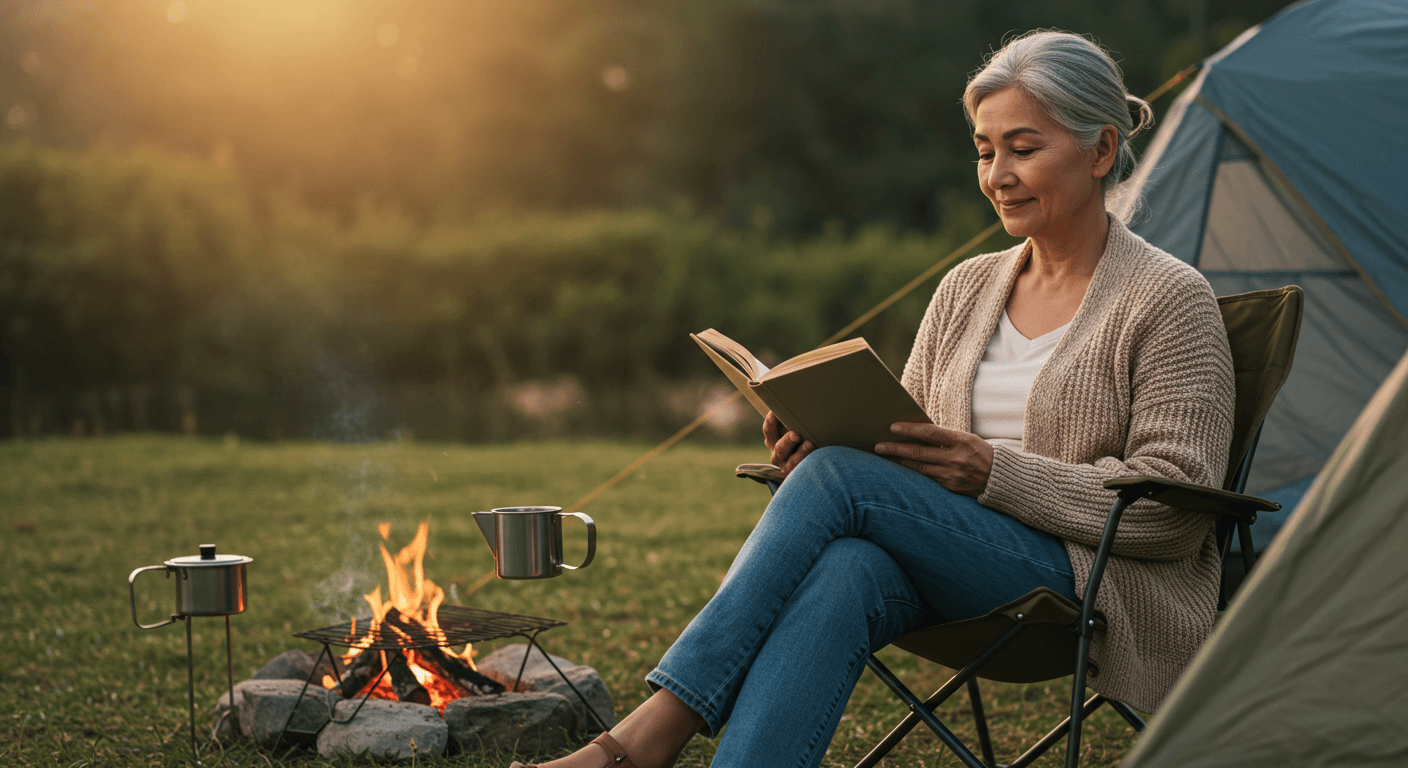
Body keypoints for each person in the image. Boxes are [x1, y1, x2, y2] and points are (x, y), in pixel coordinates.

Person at [514, 30, 1234, 768]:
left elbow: (1175, 509)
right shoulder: (967, 288)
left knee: (841, 486)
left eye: (1023, 148)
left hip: (1086, 580)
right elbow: (903, 444)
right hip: (951, 560)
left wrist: (993, 472)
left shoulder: (1168, 299)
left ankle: (641, 742)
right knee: (846, 569)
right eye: (985, 151)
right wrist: (822, 441)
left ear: (1102, 149)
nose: (999, 175)